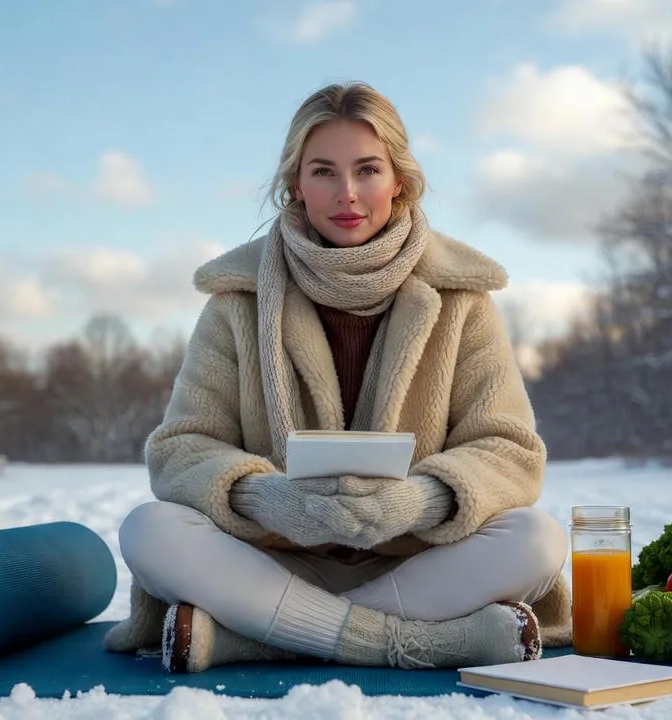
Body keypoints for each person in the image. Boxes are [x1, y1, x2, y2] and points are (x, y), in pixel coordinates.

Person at [104, 81, 572, 674]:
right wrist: (265, 500)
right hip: (271, 561)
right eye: (323, 171)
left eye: (367, 170)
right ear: (295, 184)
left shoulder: (463, 300)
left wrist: (422, 501)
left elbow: (510, 450)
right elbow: (180, 450)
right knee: (149, 530)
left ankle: (257, 640)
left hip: (415, 565)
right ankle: (409, 644)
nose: (347, 194)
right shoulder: (235, 301)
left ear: (399, 180)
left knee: (537, 539)